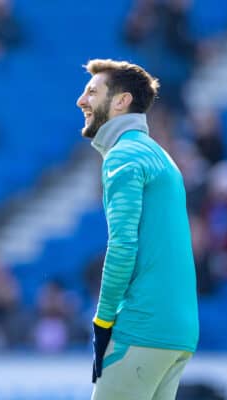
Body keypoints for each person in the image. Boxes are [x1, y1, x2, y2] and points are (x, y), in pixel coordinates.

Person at [76, 59, 199, 400]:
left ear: (121, 101)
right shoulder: (159, 155)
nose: (81, 101)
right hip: (179, 330)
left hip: (143, 326)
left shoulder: (123, 156)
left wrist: (102, 323)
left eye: (91, 92)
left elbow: (122, 246)